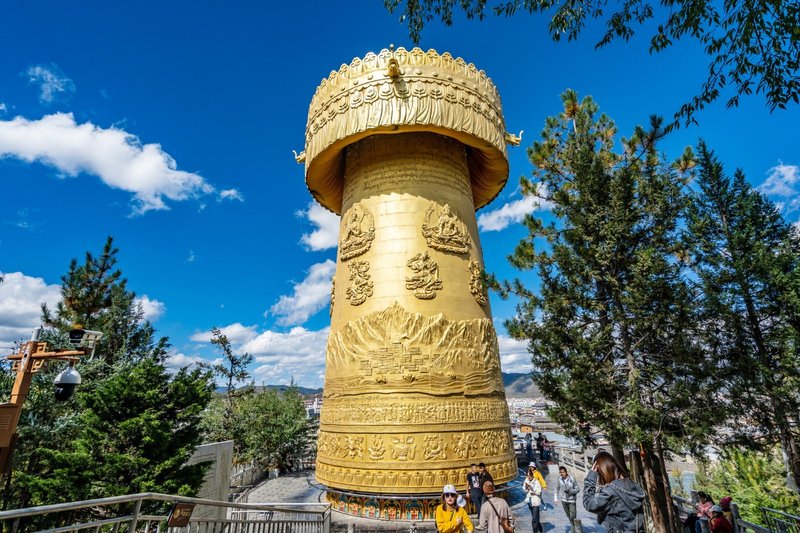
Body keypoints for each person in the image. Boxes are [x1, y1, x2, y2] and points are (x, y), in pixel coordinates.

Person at [583, 451, 646, 533]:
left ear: (602, 471)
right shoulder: (633, 485)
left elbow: (589, 504)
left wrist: (590, 478)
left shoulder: (611, 492)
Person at [523, 465, 544, 533]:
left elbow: (539, 492)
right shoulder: (526, 480)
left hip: (536, 501)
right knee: (535, 517)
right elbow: (524, 490)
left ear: (532, 475)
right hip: (529, 501)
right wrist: (526, 488)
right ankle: (540, 527)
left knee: (534, 519)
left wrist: (532, 489)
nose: (528, 477)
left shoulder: (536, 482)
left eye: (529, 475)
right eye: (527, 476)